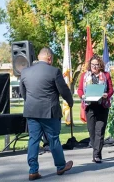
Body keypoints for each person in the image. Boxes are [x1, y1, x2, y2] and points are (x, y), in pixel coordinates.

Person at [20, 48, 74, 181]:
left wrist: (31, 104)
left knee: (33, 140)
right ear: (49, 58)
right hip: (49, 112)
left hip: (31, 111)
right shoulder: (54, 71)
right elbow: (64, 91)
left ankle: (33, 171)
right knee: (53, 138)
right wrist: (70, 102)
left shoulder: (25, 72)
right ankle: (61, 166)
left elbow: (23, 93)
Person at [77, 54, 114, 163]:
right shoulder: (84, 75)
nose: (94, 67)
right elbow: (79, 90)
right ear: (90, 65)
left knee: (100, 131)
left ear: (100, 65)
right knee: (92, 131)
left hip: (102, 106)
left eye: (97, 65)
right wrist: (82, 96)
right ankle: (96, 151)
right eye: (93, 65)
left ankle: (97, 155)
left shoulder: (106, 75)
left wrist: (107, 95)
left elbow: (111, 89)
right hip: (89, 106)